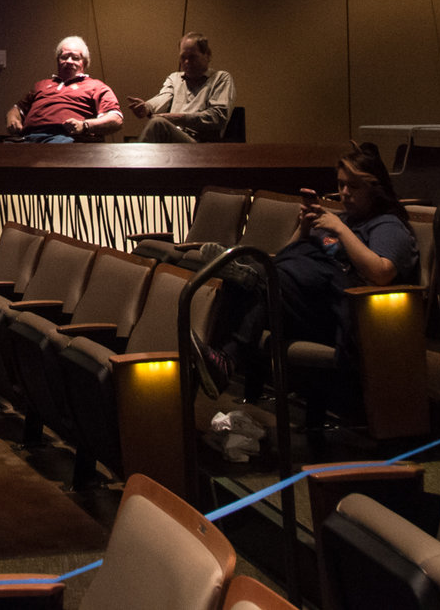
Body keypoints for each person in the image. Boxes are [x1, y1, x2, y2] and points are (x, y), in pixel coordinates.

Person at [202, 142, 418, 394]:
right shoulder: (345, 220)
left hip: (343, 314)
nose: (345, 193)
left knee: (258, 282)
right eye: (340, 185)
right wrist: (304, 229)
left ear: (375, 187)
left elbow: (382, 273)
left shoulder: (387, 225)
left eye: (354, 186)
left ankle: (226, 356)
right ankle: (225, 355)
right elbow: (287, 258)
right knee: (254, 281)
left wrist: (339, 229)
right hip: (304, 300)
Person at [2, 37, 123, 143]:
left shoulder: (96, 86)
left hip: (65, 138)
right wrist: (12, 118)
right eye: (64, 57)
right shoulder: (41, 85)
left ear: (85, 63)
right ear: (58, 60)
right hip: (28, 137)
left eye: (75, 58)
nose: (69, 61)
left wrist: (84, 125)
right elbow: (17, 109)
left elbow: (115, 119)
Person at [130, 32, 236, 143]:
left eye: (192, 57)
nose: (186, 62)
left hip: (202, 144)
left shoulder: (221, 78)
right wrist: (147, 107)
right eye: (183, 57)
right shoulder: (175, 78)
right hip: (175, 138)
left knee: (157, 124)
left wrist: (179, 118)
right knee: (155, 127)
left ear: (207, 55)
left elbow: (217, 117)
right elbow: (163, 97)